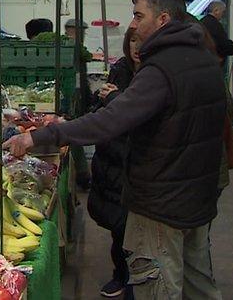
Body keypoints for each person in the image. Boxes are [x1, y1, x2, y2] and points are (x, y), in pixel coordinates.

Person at [4, 0, 225, 300]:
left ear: (162, 19)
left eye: (138, 15)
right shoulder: (204, 60)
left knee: (160, 289)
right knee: (199, 286)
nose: (132, 24)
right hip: (196, 200)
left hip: (161, 205)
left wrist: (41, 135)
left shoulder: (161, 69)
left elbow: (109, 122)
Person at [87, 27, 140, 299]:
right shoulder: (120, 70)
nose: (135, 46)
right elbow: (105, 115)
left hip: (138, 164)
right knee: (119, 229)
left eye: (141, 40)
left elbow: (139, 117)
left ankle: (133, 280)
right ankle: (120, 274)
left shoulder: (157, 76)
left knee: (136, 232)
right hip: (112, 161)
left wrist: (114, 98)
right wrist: (102, 100)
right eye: (132, 40)